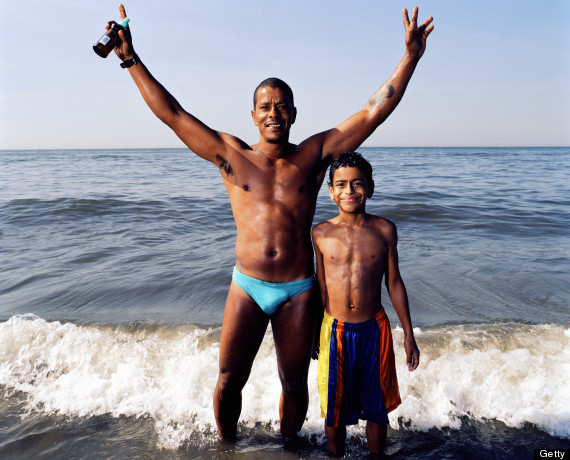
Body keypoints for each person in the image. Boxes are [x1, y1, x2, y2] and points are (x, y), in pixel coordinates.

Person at [102, 4, 433, 441]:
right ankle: (225, 445)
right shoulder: (231, 155)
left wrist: (409, 58)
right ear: (254, 115)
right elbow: (173, 114)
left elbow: (372, 112)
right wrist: (130, 58)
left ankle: (288, 448)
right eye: (265, 106)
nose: (273, 112)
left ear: (294, 113)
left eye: (282, 106)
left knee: (294, 384)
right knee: (227, 379)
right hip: (248, 284)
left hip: (298, 290)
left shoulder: (313, 156)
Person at [311, 151, 419, 458]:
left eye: (357, 184)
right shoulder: (320, 233)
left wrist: (408, 334)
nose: (349, 191)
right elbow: (320, 286)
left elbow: (394, 282)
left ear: (370, 188)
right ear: (331, 190)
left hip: (375, 329)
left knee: (376, 406)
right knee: (334, 407)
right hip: (335, 329)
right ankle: (335, 456)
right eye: (341, 184)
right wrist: (312, 334)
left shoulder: (385, 230)